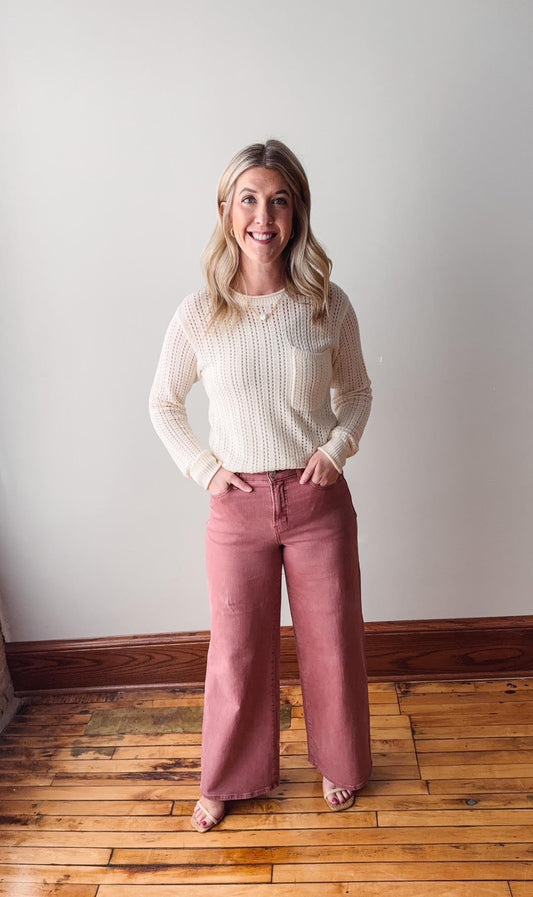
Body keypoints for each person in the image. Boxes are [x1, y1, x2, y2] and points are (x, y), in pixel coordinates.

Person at [149, 139, 373, 833]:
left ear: (297, 211)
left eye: (279, 199)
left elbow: (357, 392)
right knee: (237, 650)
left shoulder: (325, 304)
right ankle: (228, 776)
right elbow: (162, 402)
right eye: (248, 199)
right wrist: (205, 468)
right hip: (236, 505)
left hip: (316, 503)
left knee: (332, 641)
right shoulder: (198, 314)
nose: (263, 215)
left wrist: (337, 448)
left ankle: (340, 762)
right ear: (225, 211)